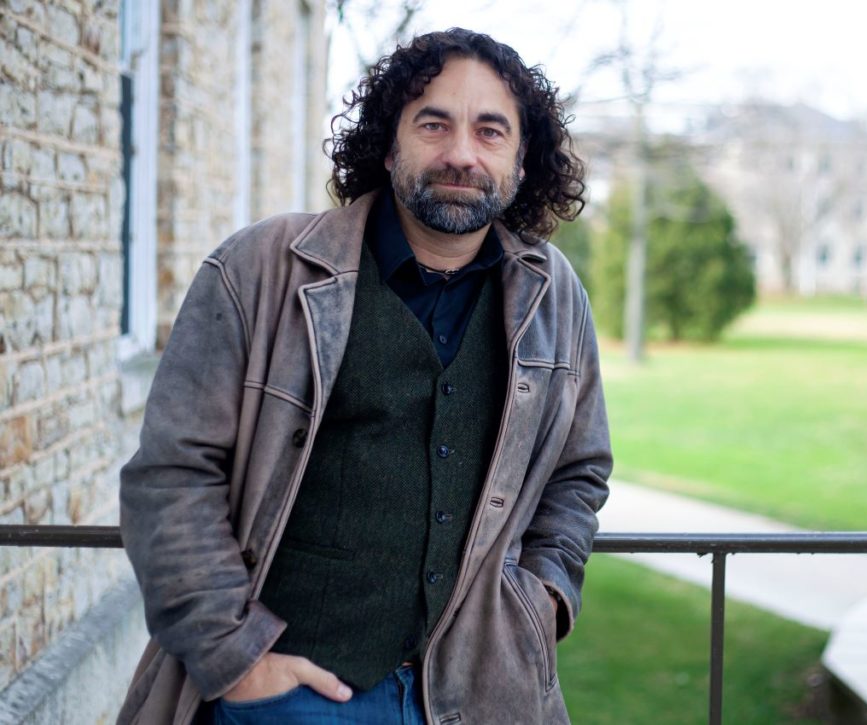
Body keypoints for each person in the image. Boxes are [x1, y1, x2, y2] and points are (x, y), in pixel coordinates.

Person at [117, 27, 612, 725]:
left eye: (490, 131)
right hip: (289, 697)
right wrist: (237, 658)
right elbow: (171, 475)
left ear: (522, 161)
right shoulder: (258, 270)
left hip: (482, 694)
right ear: (388, 143)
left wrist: (543, 600)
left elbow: (580, 470)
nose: (461, 154)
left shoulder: (554, 295)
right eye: (433, 123)